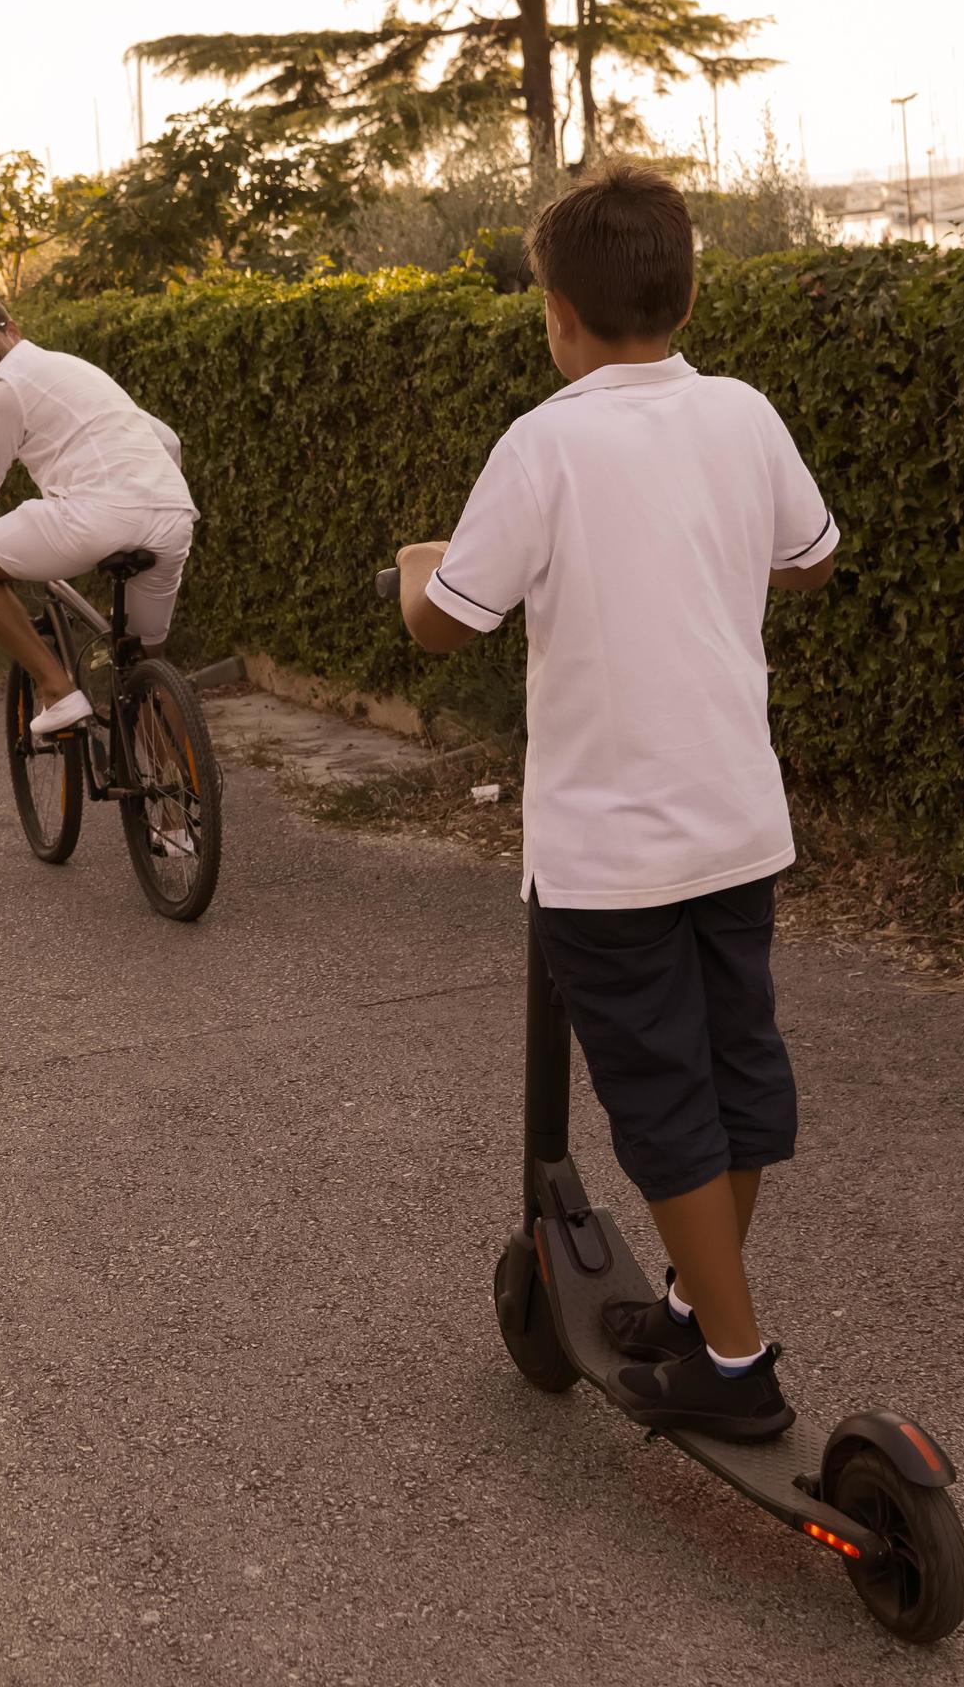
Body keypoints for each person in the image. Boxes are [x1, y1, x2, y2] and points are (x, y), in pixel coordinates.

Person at [393, 163, 839, 1440]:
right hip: (738, 822)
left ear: (558, 316)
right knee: (736, 1061)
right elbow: (812, 558)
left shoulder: (548, 441)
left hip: (610, 857)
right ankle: (701, 1313)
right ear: (687, 291)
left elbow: (449, 621)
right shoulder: (743, 412)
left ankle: (737, 1367)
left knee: (658, 1094)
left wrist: (421, 567)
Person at [0, 296, 197, 736]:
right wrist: (146, 498)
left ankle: (57, 689)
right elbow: (167, 441)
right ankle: (183, 790)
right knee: (147, 659)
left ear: (10, 330)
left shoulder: (9, 384)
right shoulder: (77, 369)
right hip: (171, 517)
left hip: (93, 517)